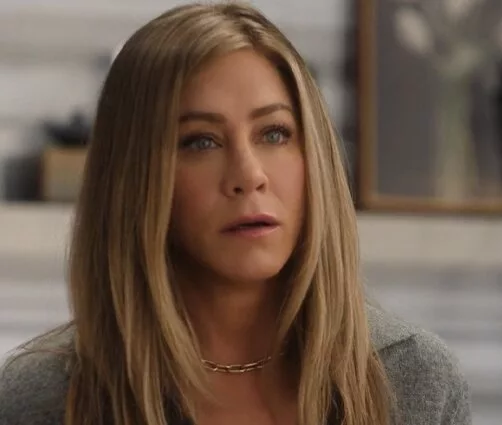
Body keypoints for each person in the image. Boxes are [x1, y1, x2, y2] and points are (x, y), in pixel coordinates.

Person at [0, 3, 470, 425]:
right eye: (201, 141)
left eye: (274, 133)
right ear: (133, 178)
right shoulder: (47, 399)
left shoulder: (414, 379)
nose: (249, 175)